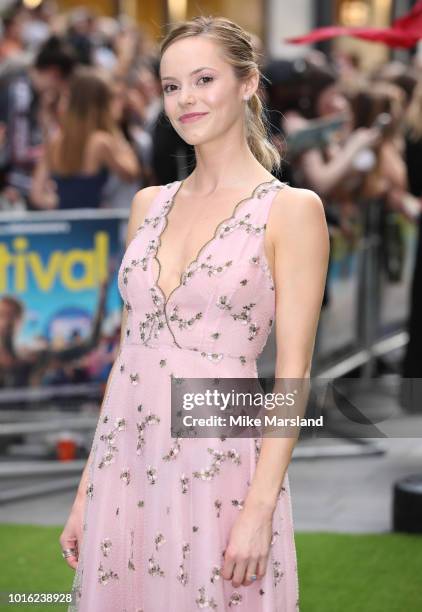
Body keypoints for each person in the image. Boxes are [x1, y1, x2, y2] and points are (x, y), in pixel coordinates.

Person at [62, 16, 329, 611]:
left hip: (218, 465)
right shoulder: (147, 205)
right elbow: (125, 361)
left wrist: (259, 509)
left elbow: (293, 376)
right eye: (171, 85)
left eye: (204, 78)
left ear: (247, 83)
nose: (185, 99)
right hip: (124, 462)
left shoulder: (291, 211)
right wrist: (86, 491)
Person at [30, 65, 140, 209]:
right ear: (101, 104)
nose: (119, 103)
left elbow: (37, 195)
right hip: (94, 227)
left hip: (66, 224)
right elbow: (131, 173)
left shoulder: (56, 141)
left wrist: (64, 205)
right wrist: (114, 128)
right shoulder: (100, 142)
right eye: (113, 98)